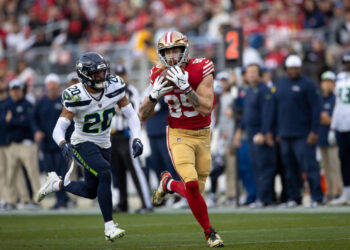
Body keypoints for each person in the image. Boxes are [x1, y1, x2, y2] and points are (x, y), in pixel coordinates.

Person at [36, 52, 144, 242]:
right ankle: (109, 227)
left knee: (90, 191)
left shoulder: (114, 86)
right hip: (82, 143)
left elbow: (132, 115)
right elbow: (59, 128)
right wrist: (63, 143)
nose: (102, 77)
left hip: (104, 143)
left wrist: (136, 138)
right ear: (85, 76)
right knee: (104, 172)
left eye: (103, 72)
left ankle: (57, 184)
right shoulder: (75, 95)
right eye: (96, 74)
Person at [139, 31, 224, 248]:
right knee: (192, 185)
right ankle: (210, 233)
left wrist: (186, 88)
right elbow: (142, 115)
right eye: (167, 52)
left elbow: (205, 109)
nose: (172, 56)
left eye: (175, 50)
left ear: (185, 50)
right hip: (178, 134)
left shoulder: (202, 67)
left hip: (203, 133)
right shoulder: (158, 73)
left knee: (197, 192)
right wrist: (152, 96)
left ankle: (167, 183)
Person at [266, 54, 323, 208]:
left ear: (300, 68)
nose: (293, 71)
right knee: (289, 170)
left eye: (296, 68)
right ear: (286, 69)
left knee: (309, 167)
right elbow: (274, 109)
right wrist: (272, 131)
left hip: (304, 134)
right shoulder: (280, 85)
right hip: (284, 135)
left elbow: (316, 109)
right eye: (290, 68)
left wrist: (314, 131)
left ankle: (316, 197)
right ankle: (294, 197)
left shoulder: (308, 84)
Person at [110, 64, 152, 213]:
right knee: (117, 171)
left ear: (127, 76)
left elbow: (134, 111)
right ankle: (123, 203)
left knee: (136, 170)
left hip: (126, 135)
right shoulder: (110, 90)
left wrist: (118, 110)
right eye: (118, 75)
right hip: (112, 136)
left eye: (123, 75)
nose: (121, 78)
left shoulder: (130, 90)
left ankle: (146, 203)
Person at [234, 64, 275, 208]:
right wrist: (239, 131)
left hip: (259, 134)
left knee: (264, 167)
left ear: (260, 74)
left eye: (254, 72)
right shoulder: (249, 90)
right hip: (250, 134)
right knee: (255, 167)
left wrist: (263, 132)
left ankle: (265, 198)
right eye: (249, 72)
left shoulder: (265, 90)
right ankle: (260, 197)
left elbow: (267, 113)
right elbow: (246, 115)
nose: (251, 75)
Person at [2, 79, 41, 209]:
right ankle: (12, 201)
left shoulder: (27, 104)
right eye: (13, 90)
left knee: (33, 174)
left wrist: (11, 120)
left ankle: (37, 200)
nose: (15, 92)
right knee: (11, 175)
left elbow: (26, 122)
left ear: (21, 90)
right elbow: (3, 122)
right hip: (12, 145)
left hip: (27, 144)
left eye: (17, 89)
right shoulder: (7, 104)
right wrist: (15, 120)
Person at [34, 73, 71, 209]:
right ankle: (61, 198)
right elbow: (34, 119)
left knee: (61, 172)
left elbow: (70, 123)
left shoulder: (63, 102)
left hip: (61, 145)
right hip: (46, 145)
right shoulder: (41, 103)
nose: (52, 89)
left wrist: (68, 139)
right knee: (51, 174)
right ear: (46, 87)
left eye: (54, 86)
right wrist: (36, 131)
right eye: (50, 86)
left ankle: (62, 199)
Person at [318, 71, 343, 202]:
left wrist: (328, 119)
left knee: (336, 167)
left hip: (334, 137)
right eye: (324, 81)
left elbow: (335, 117)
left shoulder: (336, 99)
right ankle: (330, 192)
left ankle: (340, 192)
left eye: (329, 82)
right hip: (322, 137)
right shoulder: (319, 99)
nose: (326, 84)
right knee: (326, 168)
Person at [330, 51, 350, 205]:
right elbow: (337, 104)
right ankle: (346, 192)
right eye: (346, 63)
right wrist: (333, 126)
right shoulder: (340, 79)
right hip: (342, 126)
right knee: (344, 159)